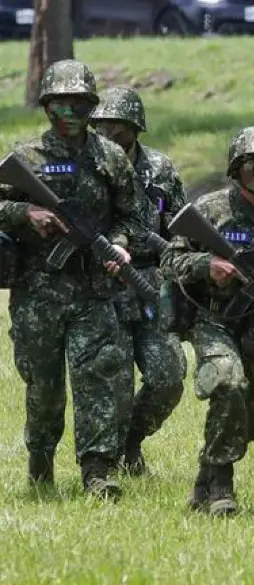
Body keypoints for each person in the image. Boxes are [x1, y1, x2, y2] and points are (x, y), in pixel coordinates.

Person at [0, 60, 145, 500]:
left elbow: (134, 216)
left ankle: (97, 471)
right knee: (43, 387)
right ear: (47, 108)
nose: (70, 113)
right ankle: (40, 463)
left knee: (97, 380)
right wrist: (28, 213)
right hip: (39, 293)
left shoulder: (111, 158)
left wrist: (119, 245)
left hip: (95, 293)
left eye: (79, 104)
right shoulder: (25, 160)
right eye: (61, 104)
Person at [162, 126, 254, 516]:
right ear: (237, 168)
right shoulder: (209, 211)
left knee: (245, 411)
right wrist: (208, 264)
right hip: (213, 319)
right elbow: (169, 261)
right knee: (228, 383)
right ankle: (222, 487)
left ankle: (203, 482)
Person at [90, 86, 187, 476]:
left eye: (119, 125)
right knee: (110, 378)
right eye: (103, 124)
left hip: (151, 283)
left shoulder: (160, 170)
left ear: (136, 128)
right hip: (104, 284)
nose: (110, 132)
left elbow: (181, 226)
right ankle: (105, 461)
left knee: (169, 376)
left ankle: (132, 441)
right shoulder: (90, 166)